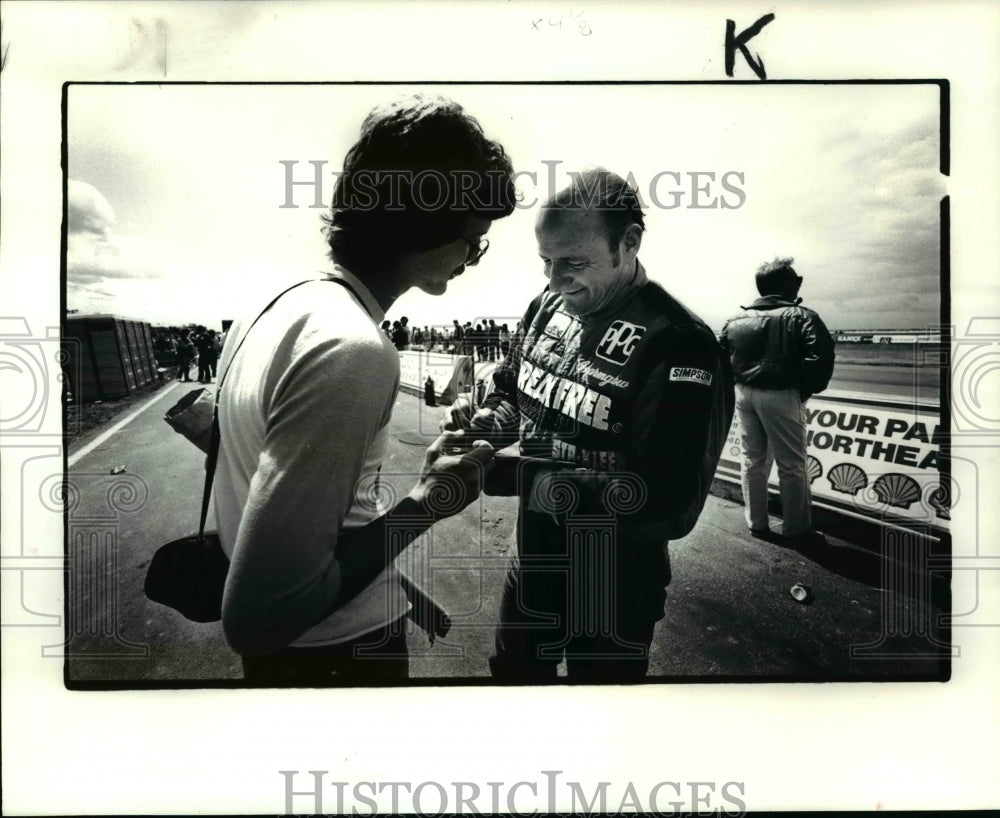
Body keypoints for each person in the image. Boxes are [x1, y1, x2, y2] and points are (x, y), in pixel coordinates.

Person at [214, 94, 517, 684]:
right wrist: (430, 501)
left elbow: (294, 506)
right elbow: (257, 618)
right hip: (332, 655)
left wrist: (394, 585)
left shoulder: (278, 307)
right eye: (473, 240)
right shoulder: (354, 351)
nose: (471, 260)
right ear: (425, 226)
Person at [430, 168, 734, 682]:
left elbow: (666, 502)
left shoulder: (679, 341)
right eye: (546, 262)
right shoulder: (547, 306)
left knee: (600, 722)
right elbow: (512, 390)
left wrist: (507, 476)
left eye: (572, 262)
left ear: (629, 243)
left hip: (614, 587)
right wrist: (481, 428)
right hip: (532, 564)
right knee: (513, 684)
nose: (554, 279)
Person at [720, 257, 834, 545]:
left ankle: (756, 523)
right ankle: (796, 529)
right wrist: (805, 389)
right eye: (794, 280)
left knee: (752, 460)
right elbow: (820, 356)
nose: (797, 284)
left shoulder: (735, 319)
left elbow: (722, 358)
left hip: (744, 394)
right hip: (782, 395)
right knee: (792, 464)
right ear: (783, 285)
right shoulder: (802, 316)